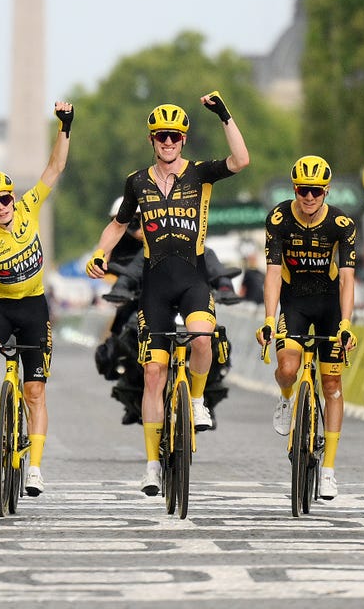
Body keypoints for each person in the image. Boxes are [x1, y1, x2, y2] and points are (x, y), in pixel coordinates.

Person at [85, 92, 249, 495]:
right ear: (152, 140)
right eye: (161, 136)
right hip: (156, 284)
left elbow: (241, 160)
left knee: (203, 337)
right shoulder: (137, 182)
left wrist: (224, 115)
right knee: (154, 373)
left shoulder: (200, 174)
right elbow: (118, 225)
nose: (168, 142)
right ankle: (152, 466)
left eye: (175, 136)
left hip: (192, 277)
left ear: (184, 140)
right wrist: (100, 252)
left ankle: (196, 401)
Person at [0, 102, 74, 498]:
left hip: (33, 306)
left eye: (5, 200)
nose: (2, 208)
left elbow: (54, 168)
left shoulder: (29, 207)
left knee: (35, 392)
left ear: (14, 197)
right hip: (0, 306)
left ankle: (35, 468)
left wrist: (65, 125)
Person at [255, 155, 357, 499]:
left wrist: (346, 324)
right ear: (293, 189)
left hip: (329, 305)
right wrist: (269, 318)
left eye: (315, 191)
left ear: (326, 191)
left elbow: (346, 279)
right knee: (287, 367)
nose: (309, 197)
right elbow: (271, 272)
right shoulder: (279, 219)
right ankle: (286, 399)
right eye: (302, 190)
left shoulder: (342, 224)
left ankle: (328, 470)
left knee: (331, 383)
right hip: (295, 302)